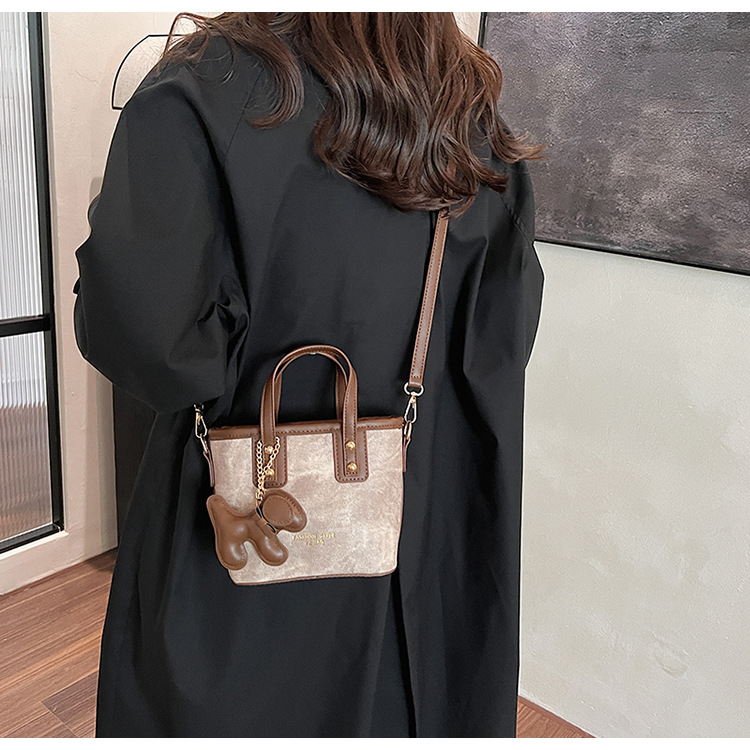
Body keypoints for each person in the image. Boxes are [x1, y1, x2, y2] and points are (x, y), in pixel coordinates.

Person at [72, 11, 545, 738]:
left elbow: (151, 345)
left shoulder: (207, 86)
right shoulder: (473, 116)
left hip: (245, 554)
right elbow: (501, 349)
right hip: (434, 549)